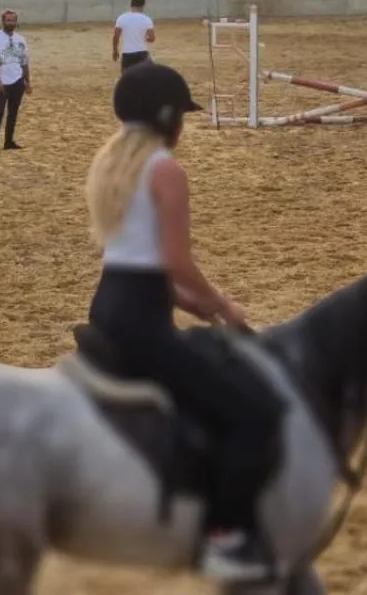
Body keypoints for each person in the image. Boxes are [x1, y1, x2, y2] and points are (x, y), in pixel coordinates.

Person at [82, 60, 282, 586]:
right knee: (253, 414)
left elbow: (135, 261)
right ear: (168, 117)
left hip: (109, 309)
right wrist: (222, 305)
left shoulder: (110, 163)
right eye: (183, 117)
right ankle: (227, 538)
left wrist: (193, 307)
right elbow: (177, 261)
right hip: (142, 326)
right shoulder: (165, 170)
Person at [0, 9, 31, 152]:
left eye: (13, 20)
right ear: (3, 21)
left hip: (18, 80)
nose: (11, 23)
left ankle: (9, 141)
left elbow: (24, 61)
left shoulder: (21, 39)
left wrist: (27, 82)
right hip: (3, 81)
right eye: (8, 20)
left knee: (13, 113)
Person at [112, 0, 157, 70]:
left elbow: (116, 36)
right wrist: (144, 39)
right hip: (142, 53)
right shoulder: (146, 19)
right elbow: (152, 38)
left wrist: (115, 50)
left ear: (131, 4)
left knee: (127, 76)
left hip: (127, 53)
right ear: (143, 5)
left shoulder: (122, 18)